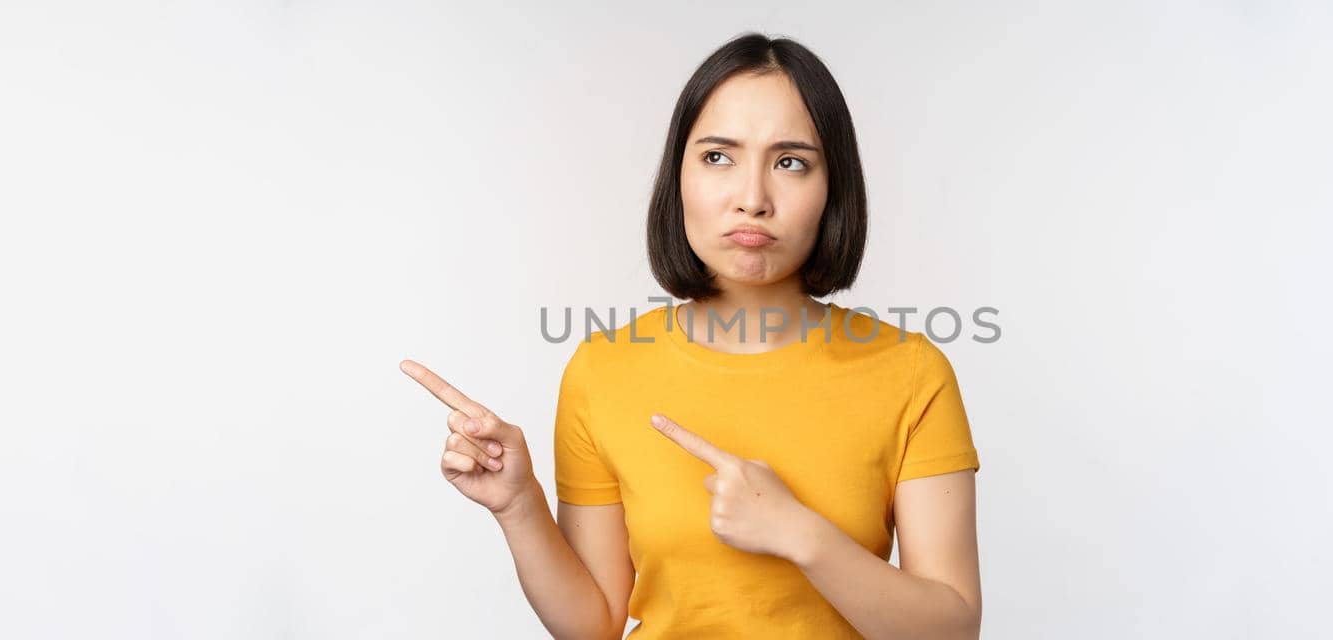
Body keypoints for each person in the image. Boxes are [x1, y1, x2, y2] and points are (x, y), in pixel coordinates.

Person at [401, 32, 982, 639]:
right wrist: (519, 507)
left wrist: (800, 535)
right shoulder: (604, 371)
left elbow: (952, 631)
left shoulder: (910, 371)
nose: (752, 199)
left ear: (832, 188)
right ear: (678, 177)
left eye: (791, 162)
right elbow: (594, 625)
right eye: (718, 157)